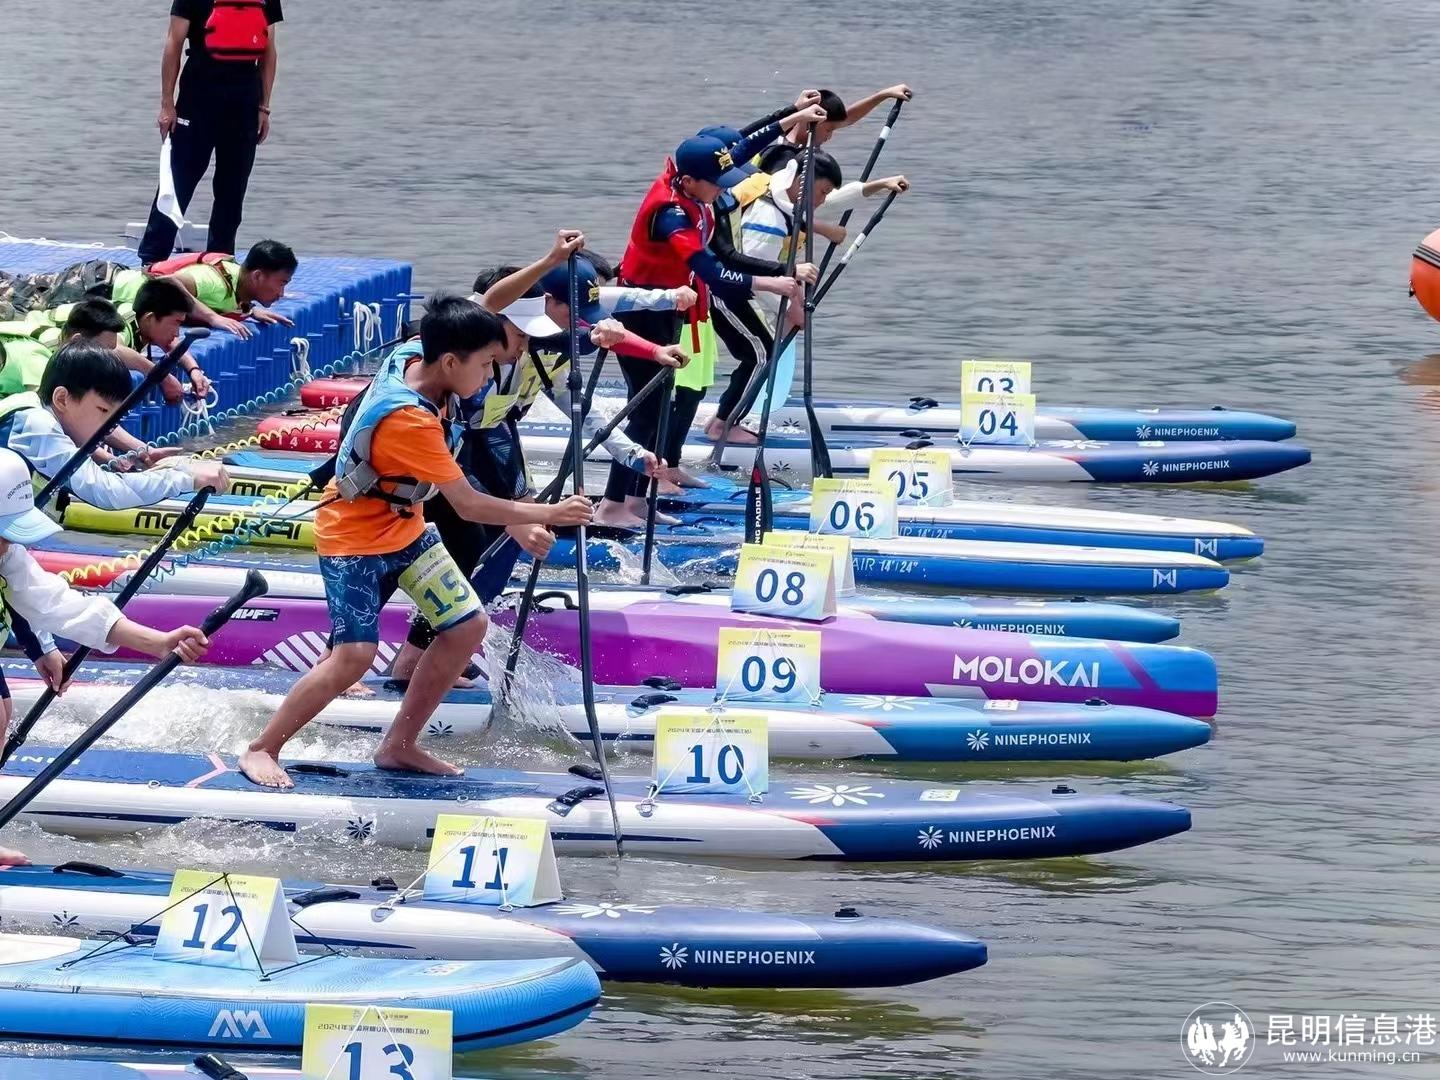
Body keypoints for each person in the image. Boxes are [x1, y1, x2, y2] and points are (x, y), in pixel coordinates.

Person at [239, 297, 594, 789]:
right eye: (486, 365)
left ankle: (399, 746)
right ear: (450, 362)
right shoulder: (410, 421)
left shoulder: (413, 353)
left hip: (407, 529)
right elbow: (468, 505)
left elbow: (481, 304)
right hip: (354, 538)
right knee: (354, 656)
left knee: (467, 627)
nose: (489, 377)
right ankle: (263, 748)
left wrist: (551, 262)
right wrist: (550, 513)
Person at [387, 244, 677, 686]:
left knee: (496, 550)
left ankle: (431, 651)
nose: (574, 325)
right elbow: (492, 306)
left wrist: (632, 453)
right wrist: (516, 515)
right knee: (455, 543)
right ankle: (387, 652)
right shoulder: (479, 341)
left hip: (494, 444)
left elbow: (583, 402)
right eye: (569, 314)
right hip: (446, 447)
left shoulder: (541, 345)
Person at [593, 127, 820, 529]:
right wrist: (772, 282)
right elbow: (710, 270)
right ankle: (612, 506)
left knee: (659, 409)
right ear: (688, 182)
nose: (722, 189)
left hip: (667, 307)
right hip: (639, 312)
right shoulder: (672, 215)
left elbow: (738, 149)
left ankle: (637, 501)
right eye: (715, 183)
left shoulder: (695, 186)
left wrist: (792, 116)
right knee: (645, 413)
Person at [0, 446, 212, 737]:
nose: (8, 546)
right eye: (2, 535)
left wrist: (159, 643)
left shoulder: (7, 556)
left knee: (4, 712)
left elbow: (54, 604)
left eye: (11, 535)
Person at [708, 153, 910, 440]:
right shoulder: (769, 216)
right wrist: (793, 307)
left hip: (743, 289)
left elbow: (836, 199)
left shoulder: (787, 193)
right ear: (802, 180)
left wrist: (880, 185)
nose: (822, 200)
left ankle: (725, 418)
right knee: (762, 355)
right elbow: (755, 275)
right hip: (727, 291)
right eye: (821, 191)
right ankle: (723, 425)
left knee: (760, 353)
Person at [138, 0, 285, 266]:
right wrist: (167, 104)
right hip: (198, 98)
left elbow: (268, 50)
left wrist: (264, 107)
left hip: (244, 101)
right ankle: (152, 261)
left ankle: (220, 262)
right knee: (179, 181)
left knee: (233, 189)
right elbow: (174, 43)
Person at [0, 341, 227, 508]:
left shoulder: (37, 412)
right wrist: (186, 478)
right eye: (103, 410)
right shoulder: (35, 425)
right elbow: (106, 491)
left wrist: (168, 465)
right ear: (62, 399)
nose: (109, 427)